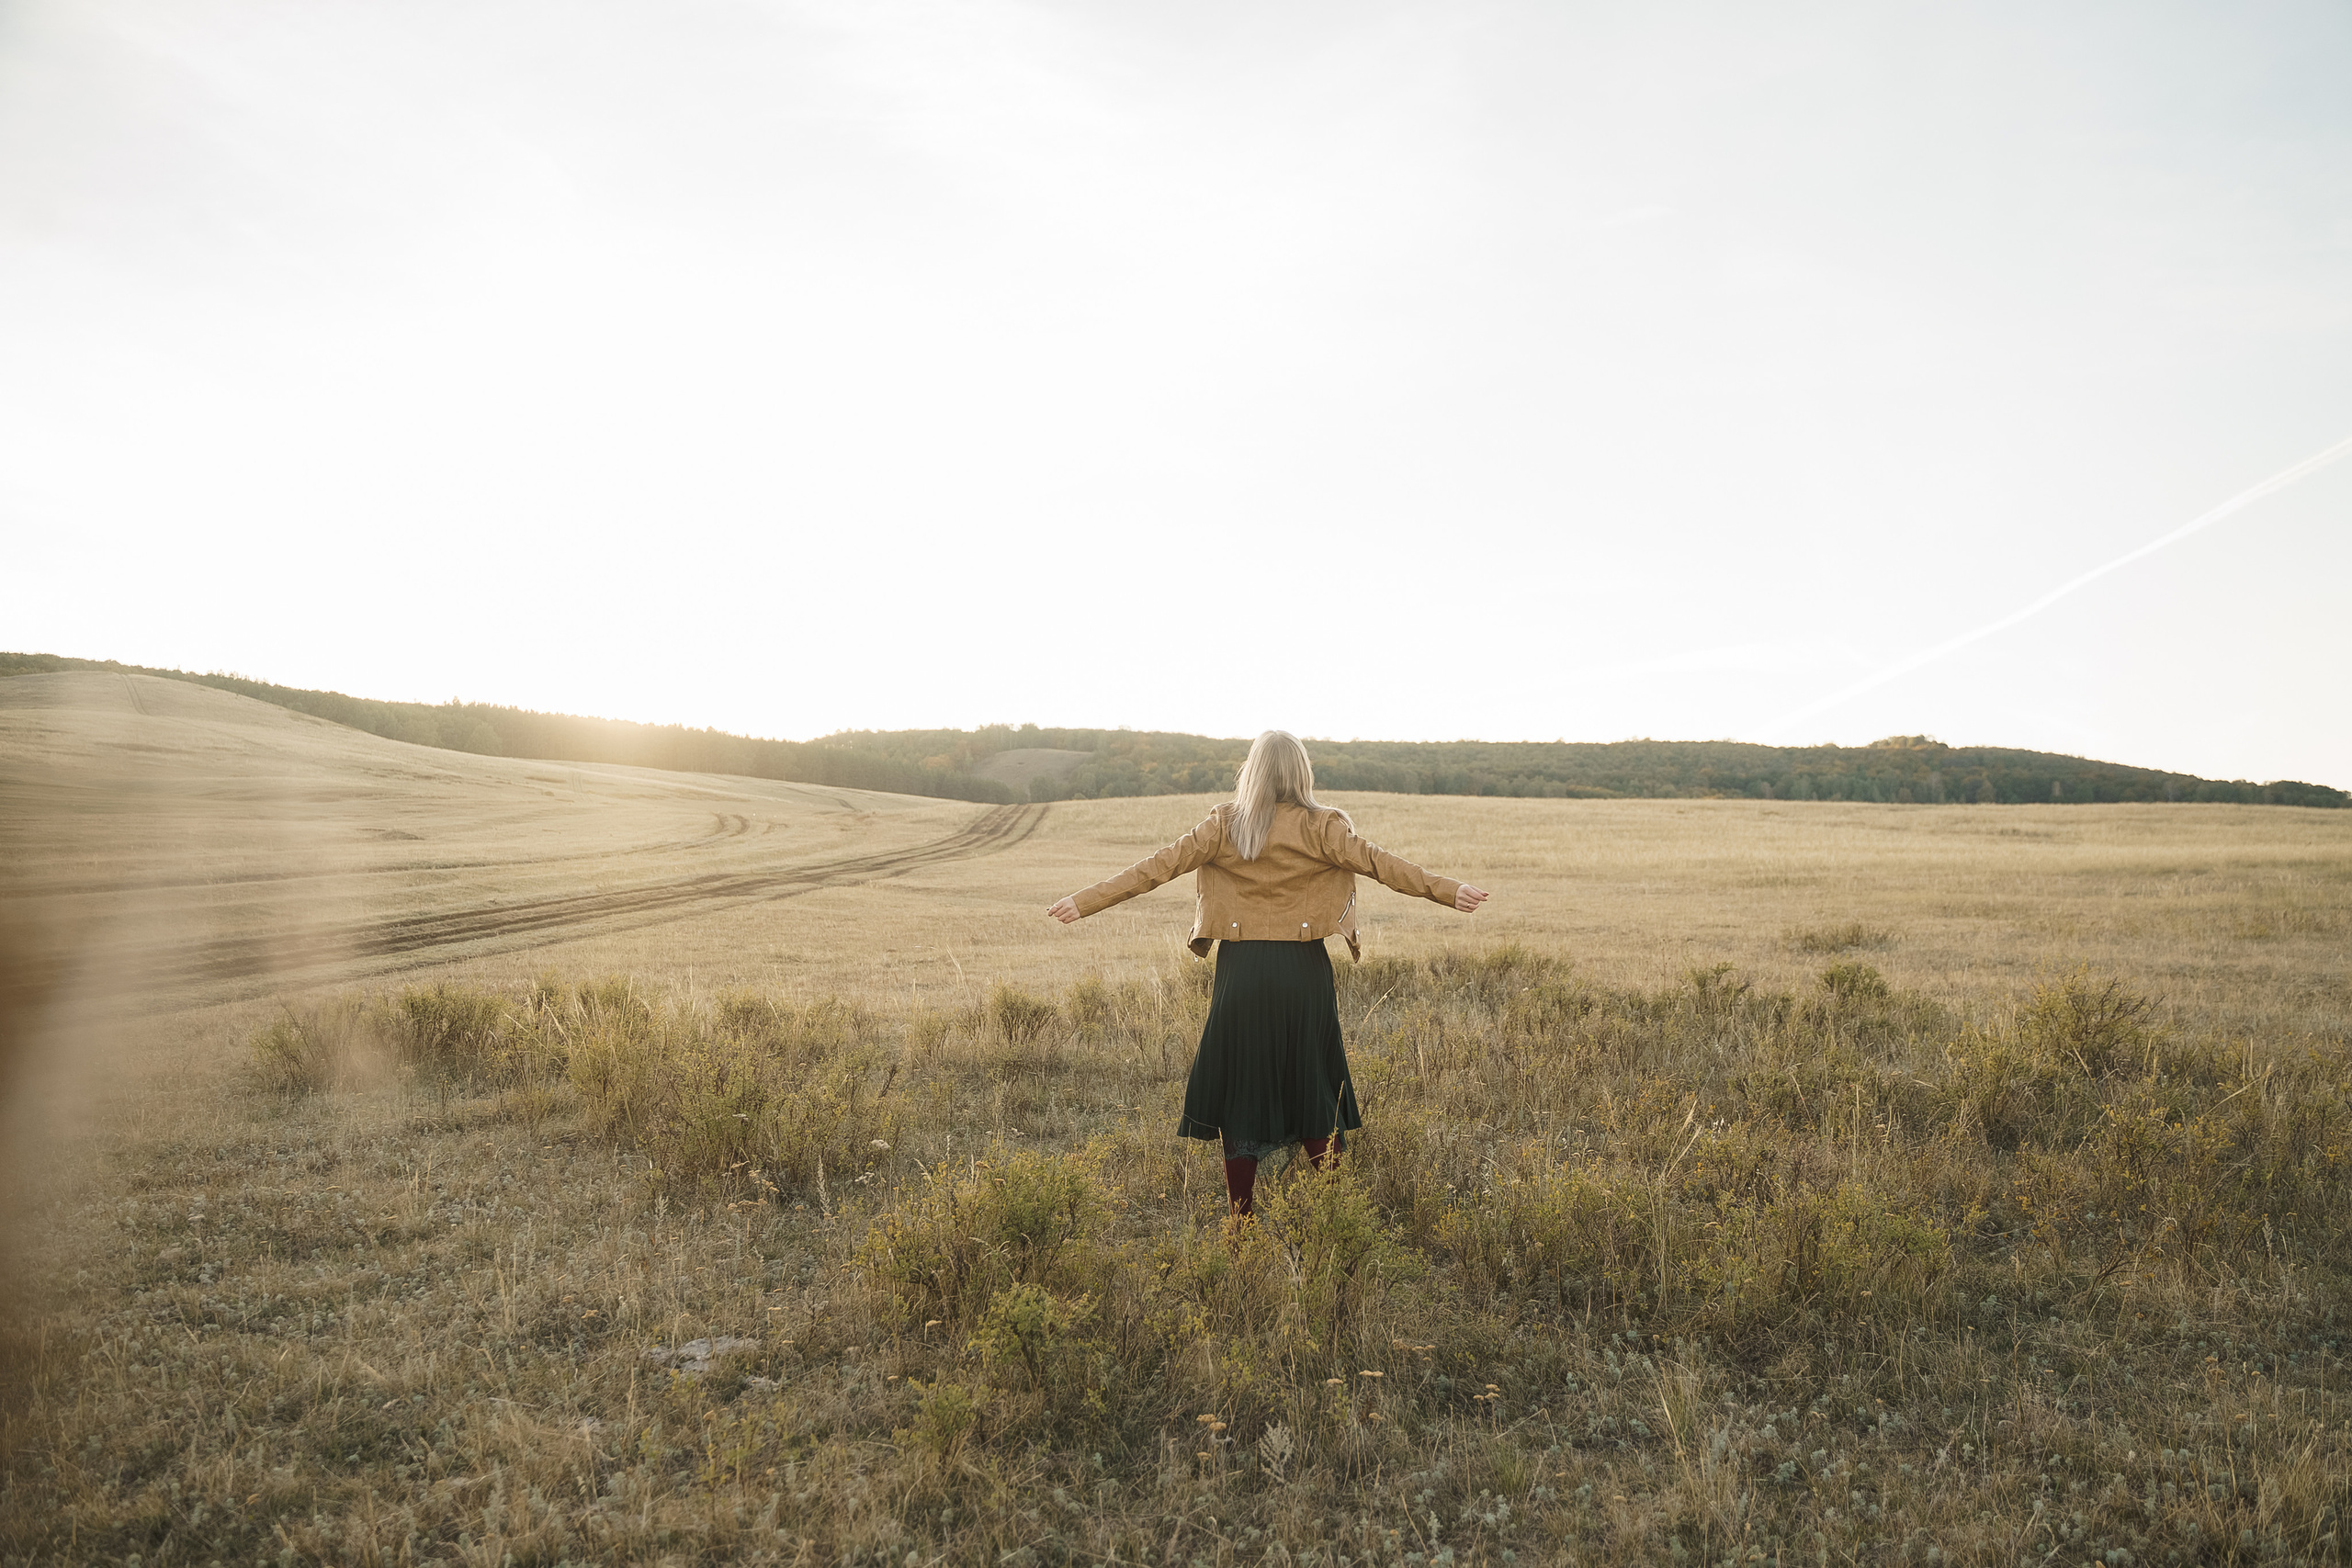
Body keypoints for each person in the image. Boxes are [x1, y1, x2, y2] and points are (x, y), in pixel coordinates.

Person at [1046, 730, 1487, 1217]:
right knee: (1313, 1082)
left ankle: (1241, 1220)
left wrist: (1081, 902)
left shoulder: (1224, 826)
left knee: (1243, 1088)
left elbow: (1154, 869)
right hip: (1303, 974)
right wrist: (1449, 890)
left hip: (1243, 974)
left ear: (1251, 771)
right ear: (1301, 773)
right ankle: (1333, 1215)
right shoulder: (1324, 827)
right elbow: (1384, 865)